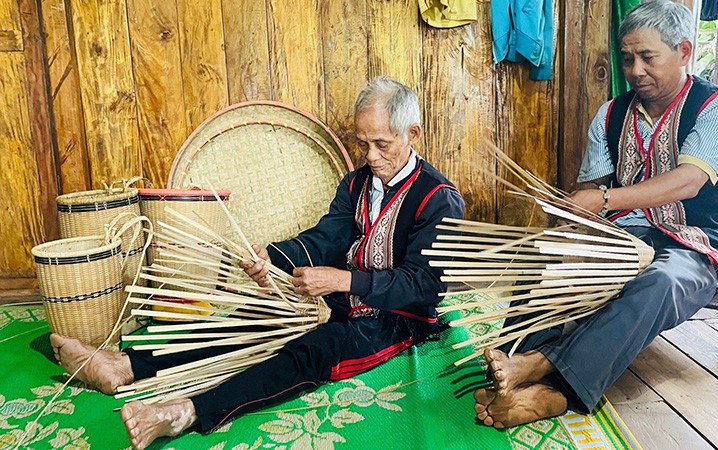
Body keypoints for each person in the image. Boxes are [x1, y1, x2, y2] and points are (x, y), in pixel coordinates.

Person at [50, 76, 465, 449]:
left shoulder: (437, 198)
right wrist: (274, 259)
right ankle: (126, 366)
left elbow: (425, 286)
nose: (371, 156)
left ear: (412, 134)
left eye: (382, 144)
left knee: (313, 351)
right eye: (362, 143)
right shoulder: (357, 182)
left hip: (397, 320)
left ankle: (186, 412)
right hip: (341, 299)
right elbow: (327, 236)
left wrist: (343, 280)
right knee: (251, 319)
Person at [473, 0, 718, 428]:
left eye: (648, 57)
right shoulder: (611, 114)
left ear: (685, 52)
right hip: (621, 235)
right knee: (548, 253)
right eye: (627, 58)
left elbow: (688, 181)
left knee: (661, 280)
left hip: (696, 242)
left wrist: (604, 200)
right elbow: (591, 187)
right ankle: (513, 366)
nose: (635, 69)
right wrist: (575, 213)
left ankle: (553, 390)